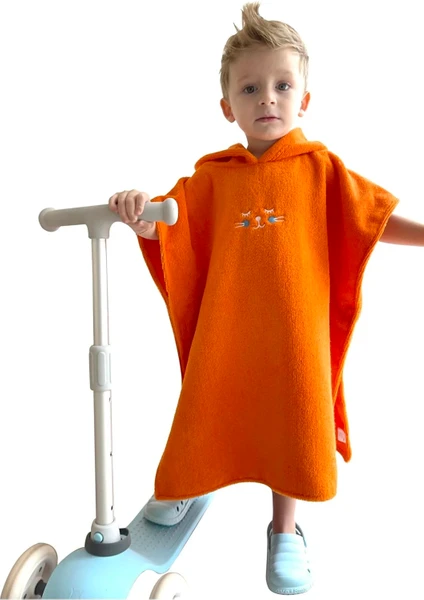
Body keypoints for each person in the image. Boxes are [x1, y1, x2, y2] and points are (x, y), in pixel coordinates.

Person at [109, 2, 424, 595]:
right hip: (229, 329)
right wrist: (139, 213)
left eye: (282, 85)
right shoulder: (213, 176)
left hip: (292, 332)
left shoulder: (321, 170)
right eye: (250, 88)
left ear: (304, 99)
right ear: (227, 105)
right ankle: (187, 486)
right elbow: (170, 228)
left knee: (290, 421)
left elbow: (374, 219)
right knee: (211, 404)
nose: (267, 99)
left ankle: (284, 531)